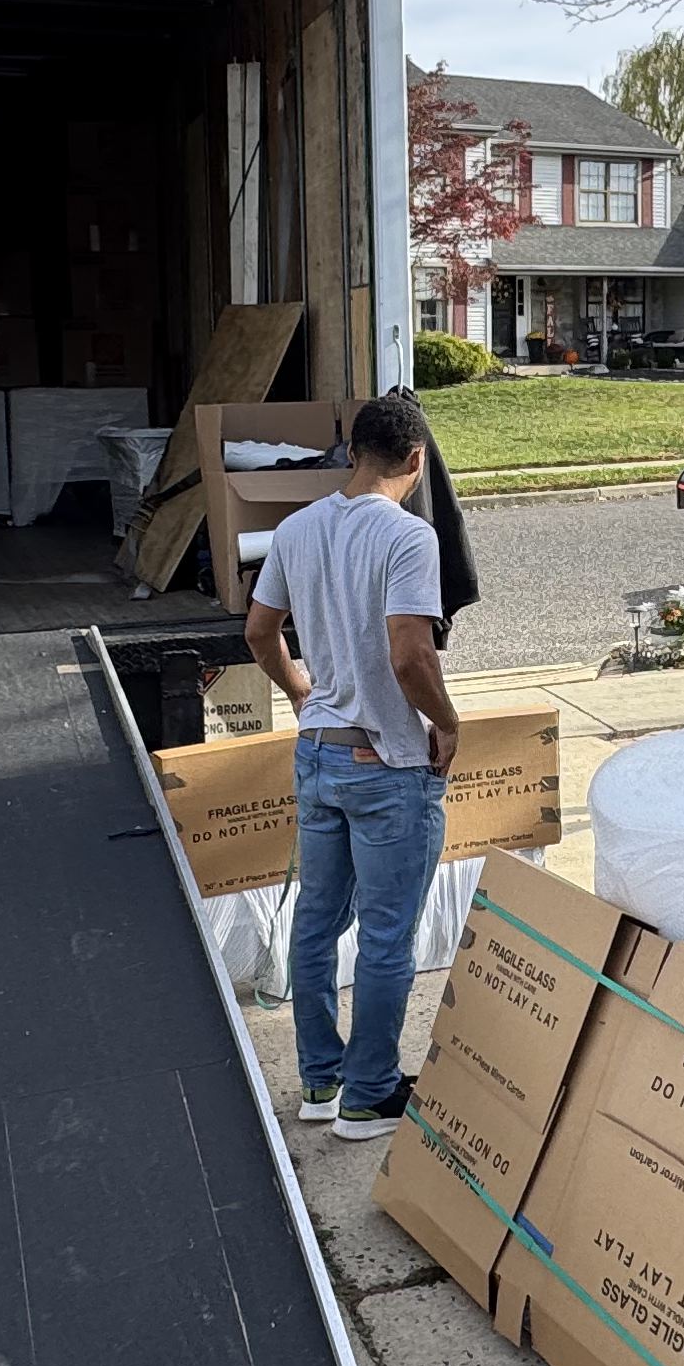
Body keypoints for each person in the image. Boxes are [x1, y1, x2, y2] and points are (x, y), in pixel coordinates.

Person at [245, 391, 464, 1142]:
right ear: (416, 459)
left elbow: (259, 630)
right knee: (385, 936)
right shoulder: (408, 536)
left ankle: (319, 1081)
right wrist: (447, 722)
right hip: (385, 763)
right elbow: (410, 654)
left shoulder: (297, 528)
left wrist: (298, 690)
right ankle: (369, 1096)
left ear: (349, 453)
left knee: (315, 923)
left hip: (317, 754)